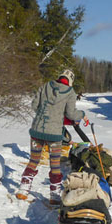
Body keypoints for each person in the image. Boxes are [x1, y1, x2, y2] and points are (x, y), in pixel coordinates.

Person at [16, 69, 88, 204]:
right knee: (55, 165)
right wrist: (82, 114)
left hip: (37, 131)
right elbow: (71, 114)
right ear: (70, 81)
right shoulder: (70, 93)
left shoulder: (45, 86)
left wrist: (45, 116)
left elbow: (34, 105)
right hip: (54, 135)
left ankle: (23, 189)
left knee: (34, 160)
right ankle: (54, 196)